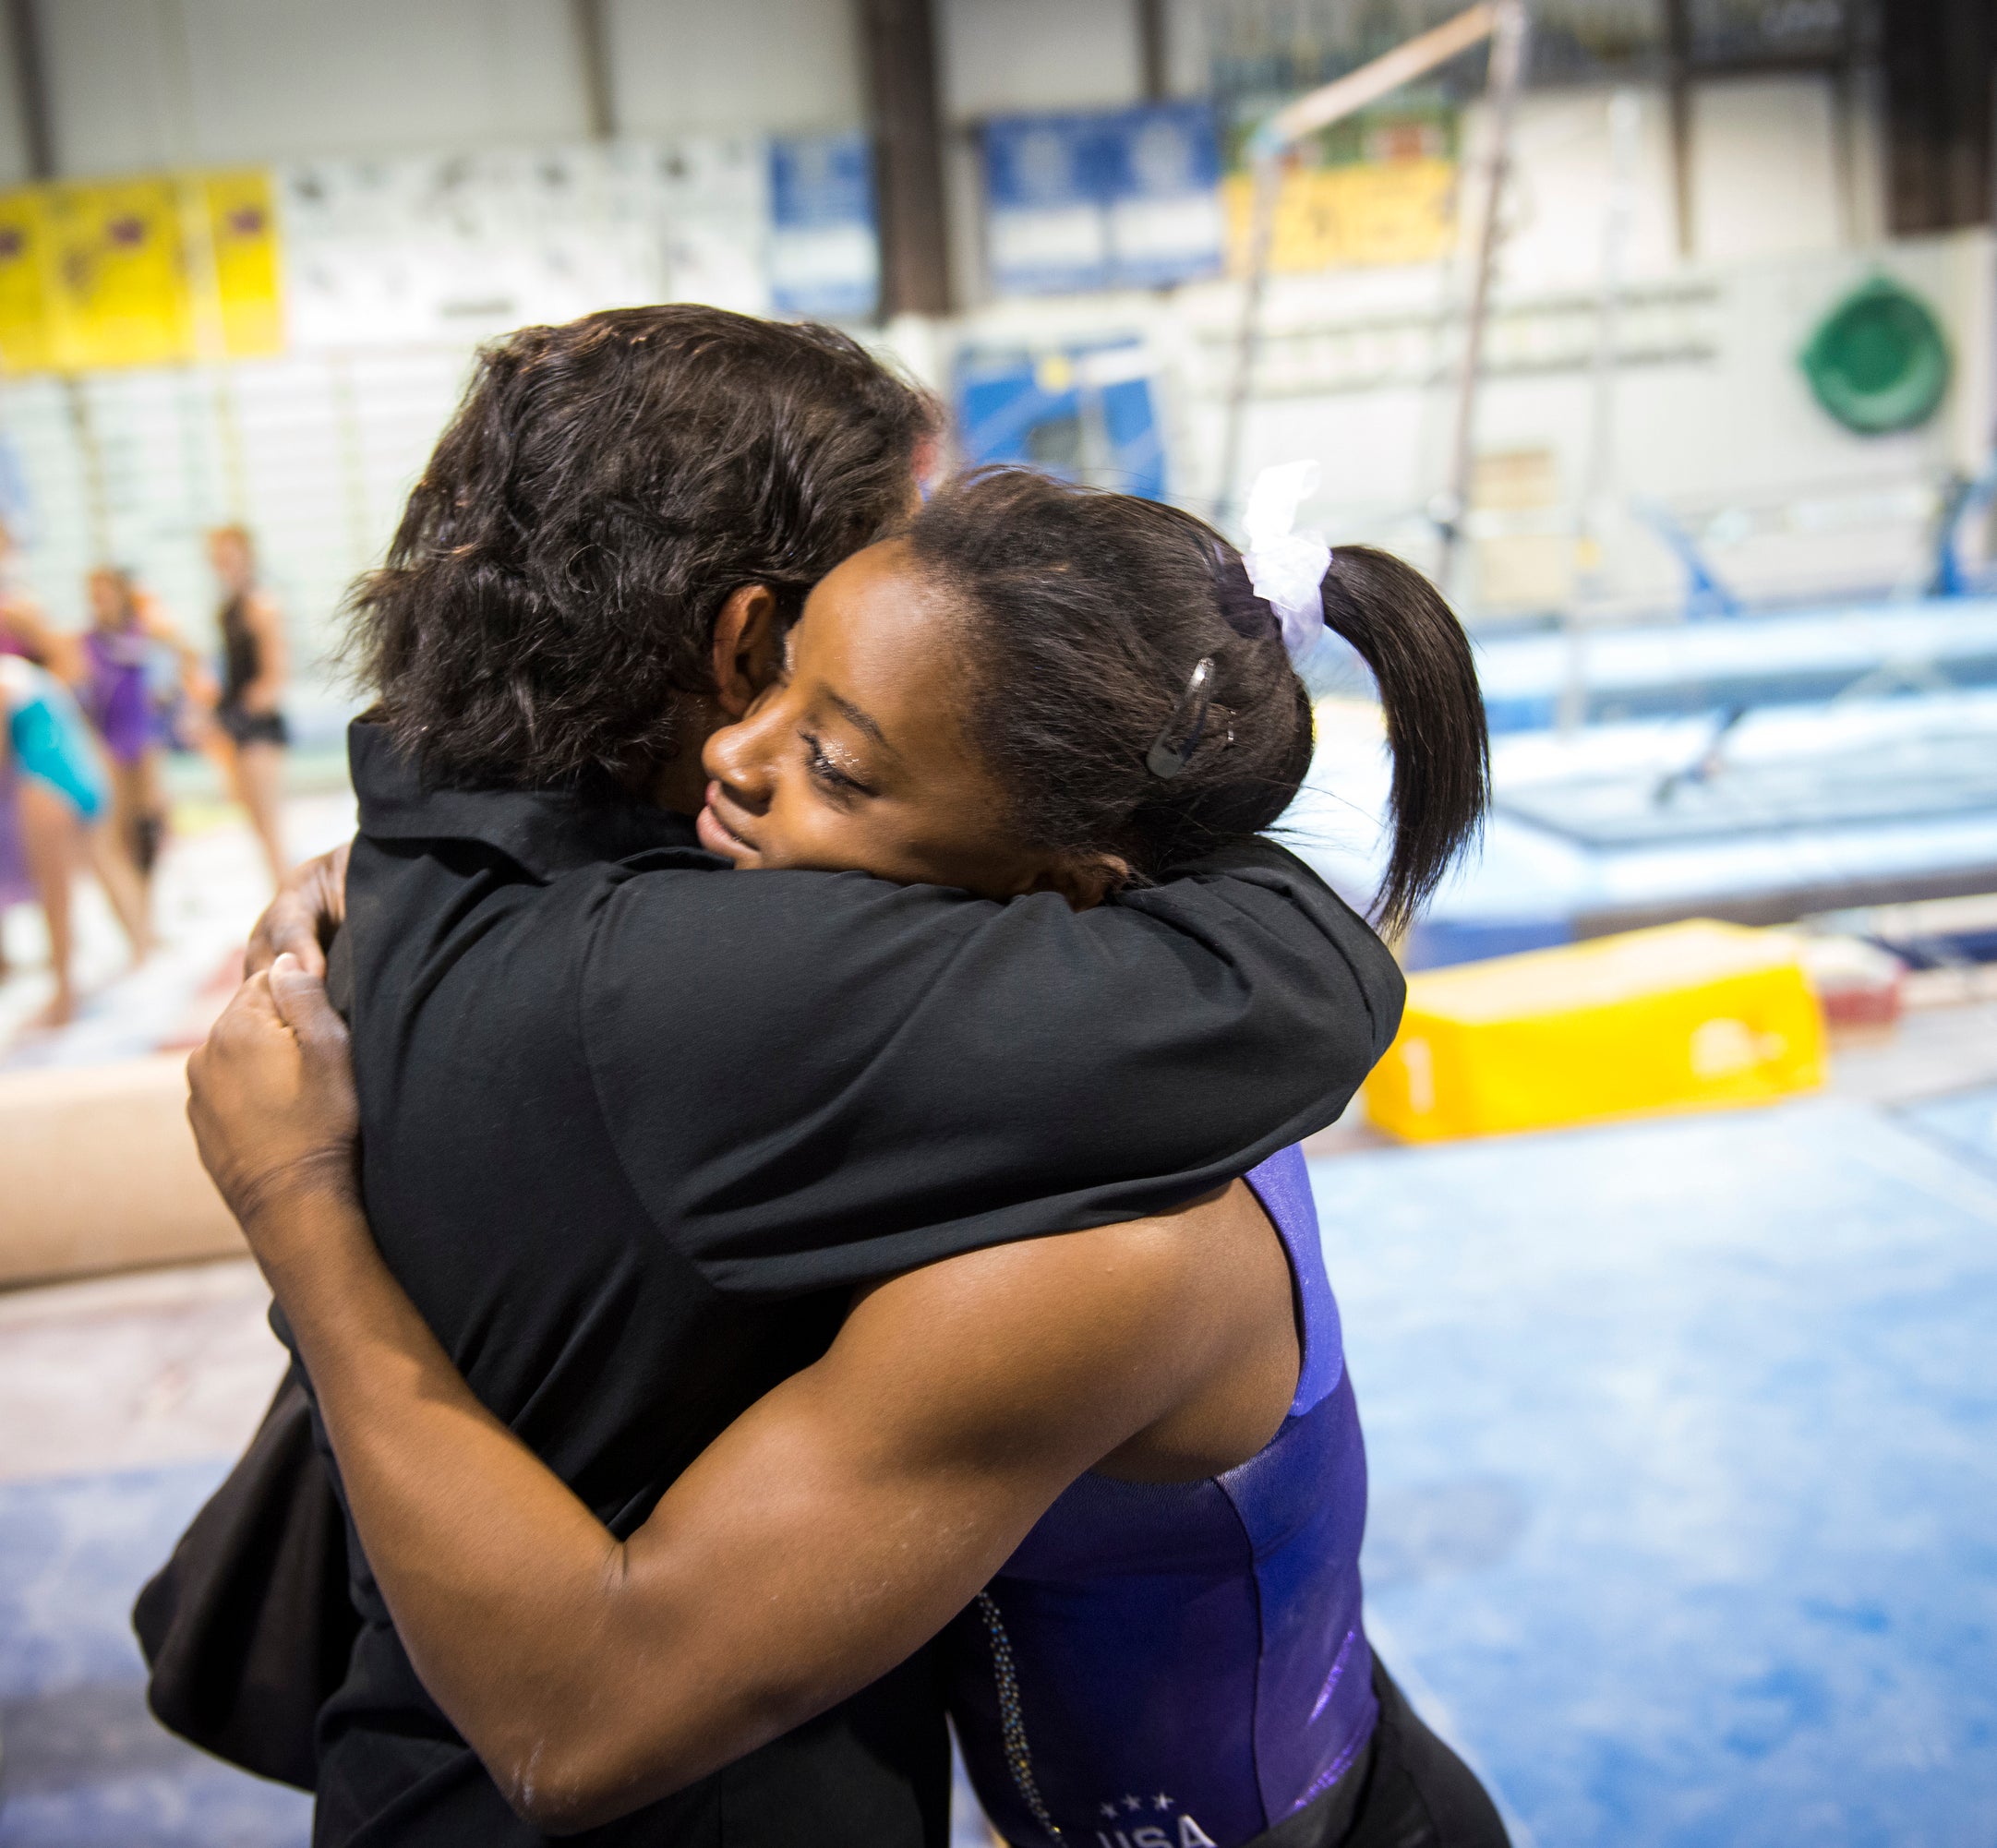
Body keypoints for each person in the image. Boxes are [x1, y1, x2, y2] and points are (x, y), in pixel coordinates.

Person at [187, 305, 1417, 1848]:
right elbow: (1299, 972)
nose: (747, 760)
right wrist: (297, 1214)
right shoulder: (716, 992)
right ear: (742, 638)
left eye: (842, 748)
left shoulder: (423, 835)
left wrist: (311, 1183)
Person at [1, 651, 150, 1025]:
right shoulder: (32, 675)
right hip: (82, 775)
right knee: (106, 865)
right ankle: (141, 947)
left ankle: (65, 994)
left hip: (43, 783)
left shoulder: (5, 684)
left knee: (55, 896)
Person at [78, 566, 196, 914]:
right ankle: (135, 912)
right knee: (118, 831)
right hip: (110, 739)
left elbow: (188, 653)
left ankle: (148, 905)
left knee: (149, 827)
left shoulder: (143, 630)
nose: (100, 601)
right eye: (94, 594)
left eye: (106, 592)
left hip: (143, 735)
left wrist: (174, 697)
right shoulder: (88, 641)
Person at [207, 522, 289, 888]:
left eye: (230, 553)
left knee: (270, 823)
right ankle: (278, 889)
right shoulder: (227, 607)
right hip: (234, 719)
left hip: (256, 724)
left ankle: (285, 893)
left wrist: (243, 711)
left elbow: (274, 675)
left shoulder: (261, 604)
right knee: (253, 818)